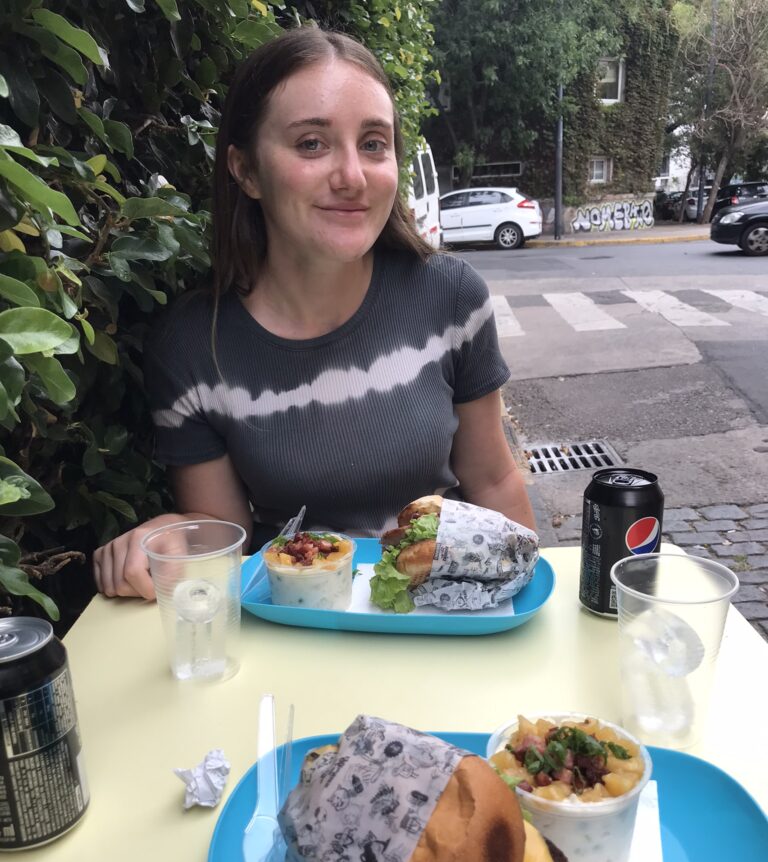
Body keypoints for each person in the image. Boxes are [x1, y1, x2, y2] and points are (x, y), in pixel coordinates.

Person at [93, 25, 535, 601]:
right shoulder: (191, 346)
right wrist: (171, 538)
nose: (352, 176)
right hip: (295, 625)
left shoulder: (452, 298)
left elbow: (495, 479)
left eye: (374, 143)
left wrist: (526, 599)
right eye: (311, 144)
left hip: (444, 614)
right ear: (246, 170)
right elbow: (229, 542)